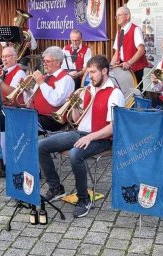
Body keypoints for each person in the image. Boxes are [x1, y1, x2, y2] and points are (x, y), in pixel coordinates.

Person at [39, 55, 124, 218]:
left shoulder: (115, 94)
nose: (89, 76)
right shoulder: (88, 89)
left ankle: (84, 199)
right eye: (88, 72)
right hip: (81, 133)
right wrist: (75, 106)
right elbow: (77, 120)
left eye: (93, 72)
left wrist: (90, 137)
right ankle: (56, 187)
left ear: (104, 71)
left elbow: (113, 127)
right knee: (41, 146)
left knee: (75, 154)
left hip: (102, 139)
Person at [0, 46, 26, 177]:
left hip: (15, 109)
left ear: (15, 57)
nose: (4, 59)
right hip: (2, 106)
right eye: (3, 57)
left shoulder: (19, 73)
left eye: (7, 56)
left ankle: (4, 163)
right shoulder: (3, 71)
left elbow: (12, 93)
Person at [27, 46, 75, 132]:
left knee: (23, 124)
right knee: (15, 119)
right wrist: (26, 90)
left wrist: (42, 83)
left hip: (52, 119)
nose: (44, 64)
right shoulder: (44, 77)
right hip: (36, 115)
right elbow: (33, 98)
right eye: (44, 61)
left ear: (58, 63)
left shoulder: (66, 79)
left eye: (47, 61)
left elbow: (56, 101)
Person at [110, 6, 148, 85]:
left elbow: (141, 50)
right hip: (123, 69)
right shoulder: (120, 32)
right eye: (116, 16)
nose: (117, 18)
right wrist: (110, 67)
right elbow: (117, 52)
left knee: (135, 94)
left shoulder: (136, 29)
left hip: (135, 69)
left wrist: (129, 63)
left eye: (119, 15)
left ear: (127, 16)